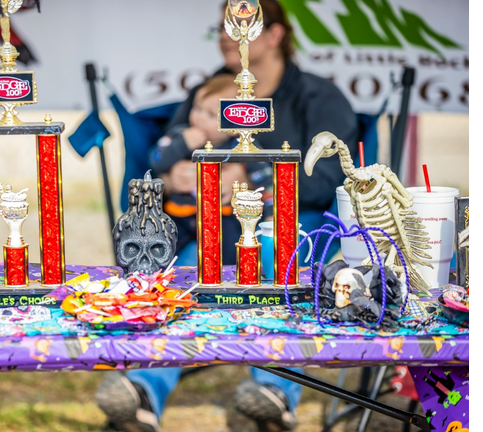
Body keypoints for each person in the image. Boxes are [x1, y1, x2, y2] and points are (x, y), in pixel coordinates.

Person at [96, 1, 359, 431]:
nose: (224, 35)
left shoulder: (319, 97)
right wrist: (177, 173)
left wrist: (255, 180)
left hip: (293, 231)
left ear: (275, 35)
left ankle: (277, 393)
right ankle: (142, 394)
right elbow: (163, 153)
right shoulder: (210, 90)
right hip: (207, 233)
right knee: (184, 270)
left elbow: (337, 176)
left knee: (274, 256)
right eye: (221, 27)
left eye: (240, 25)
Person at [149, 73, 254, 265]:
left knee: (229, 257)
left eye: (211, 115)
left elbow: (264, 177)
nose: (199, 117)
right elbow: (156, 159)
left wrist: (270, 210)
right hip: (178, 214)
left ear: (234, 125)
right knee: (161, 253)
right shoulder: (179, 134)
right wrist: (182, 144)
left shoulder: (242, 146)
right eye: (197, 107)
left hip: (223, 218)